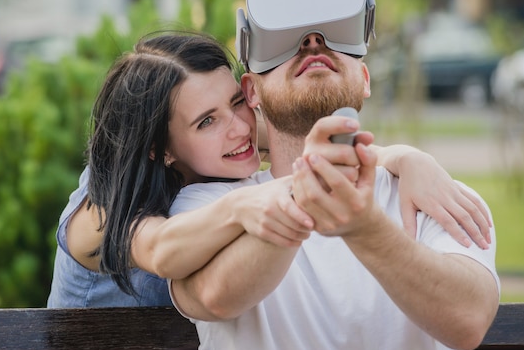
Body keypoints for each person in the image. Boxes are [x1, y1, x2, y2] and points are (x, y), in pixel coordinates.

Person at [167, 0, 499, 350]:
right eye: (287, 42)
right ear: (251, 92)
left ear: (364, 80)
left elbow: (469, 321)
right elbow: (214, 296)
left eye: (331, 35)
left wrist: (364, 227)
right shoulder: (207, 203)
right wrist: (312, 193)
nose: (312, 41)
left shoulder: (434, 195)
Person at [47, 30, 491, 309]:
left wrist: (407, 158)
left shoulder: (223, 145)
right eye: (206, 121)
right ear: (160, 149)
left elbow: (312, 144)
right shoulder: (102, 211)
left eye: (237, 101)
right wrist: (246, 206)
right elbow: (162, 251)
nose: (240, 127)